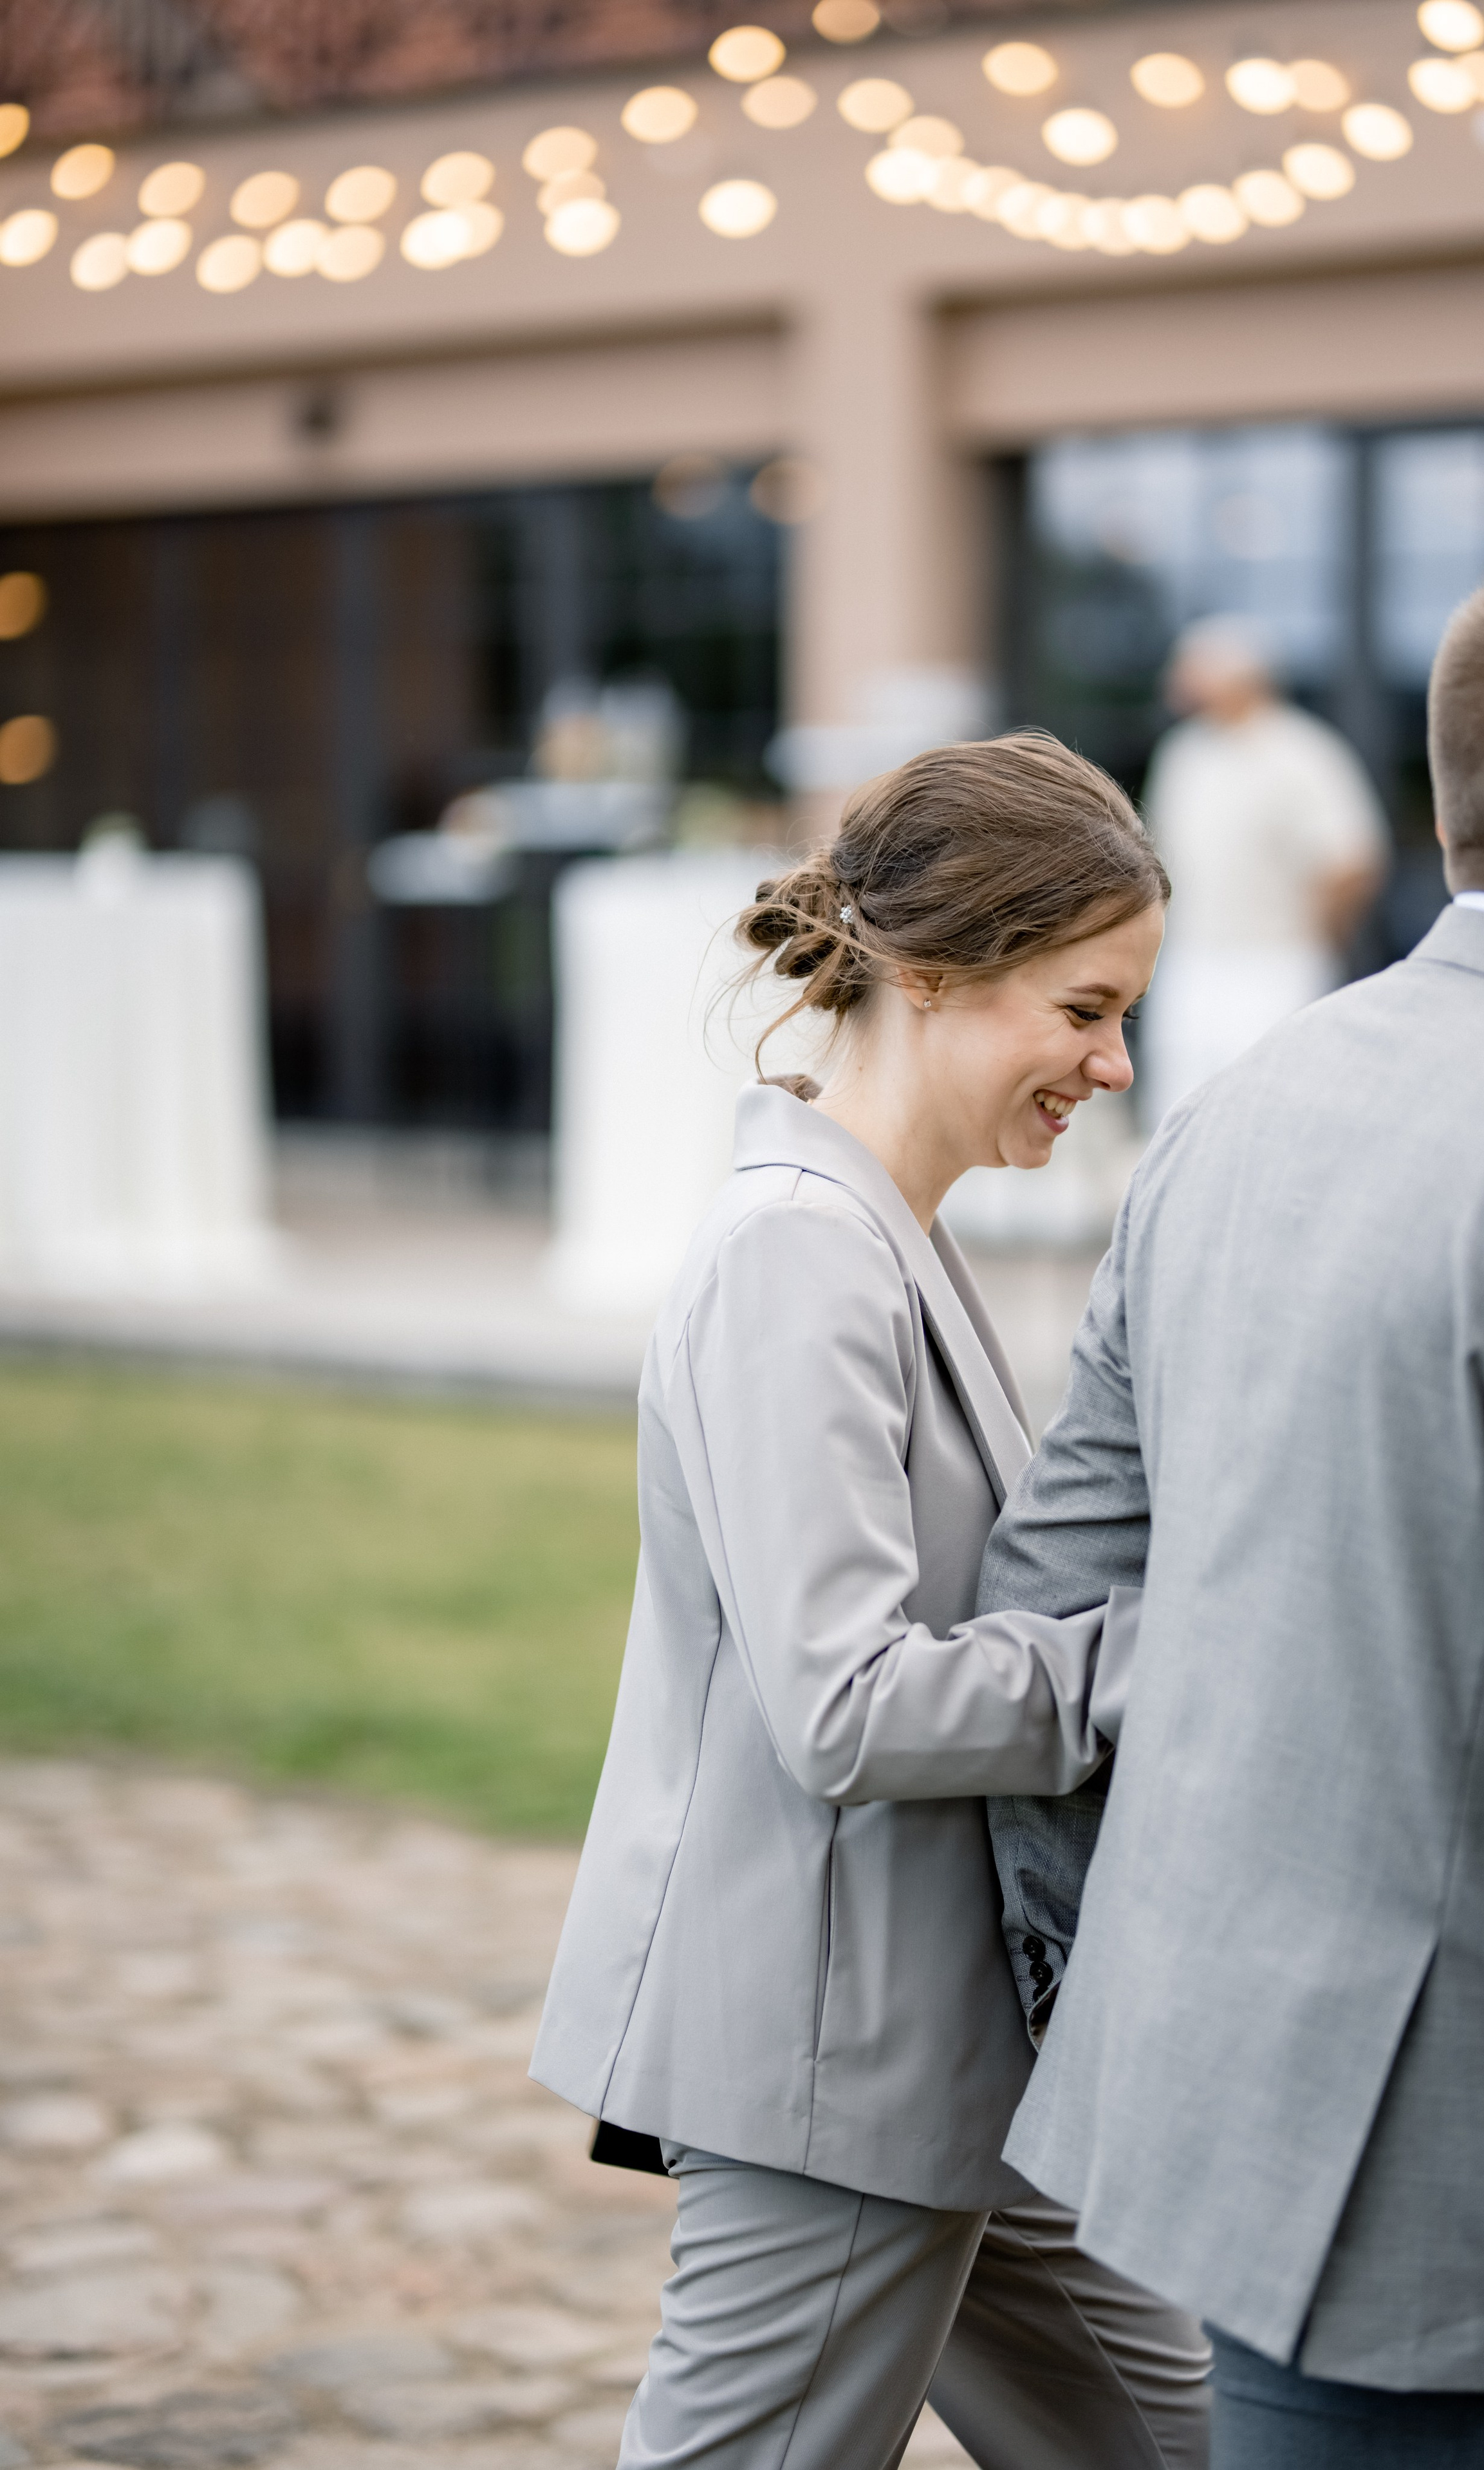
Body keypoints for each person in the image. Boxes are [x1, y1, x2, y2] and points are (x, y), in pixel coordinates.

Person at [979, 550, 1484, 2467]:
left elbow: (1054, 1595)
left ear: (1448, 800)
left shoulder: (1235, 1109)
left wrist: (1129, 1978)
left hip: (1208, 2099)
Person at [530, 734, 1210, 2469]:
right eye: (1084, 1008)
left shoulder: (885, 1229)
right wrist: (1183, 1651)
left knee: (1206, 2436)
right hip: (837, 2056)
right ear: (930, 973)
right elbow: (845, 1705)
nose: (1114, 1063)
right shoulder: (799, 1251)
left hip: (954, 2042)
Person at [1140, 615, 1387, 1124]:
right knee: (1176, 1112)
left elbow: (1353, 861)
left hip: (1274, 963)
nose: (1181, 684)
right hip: (1189, 959)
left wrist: (1315, 940)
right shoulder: (1184, 753)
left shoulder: (1303, 752)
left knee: (1267, 1111)